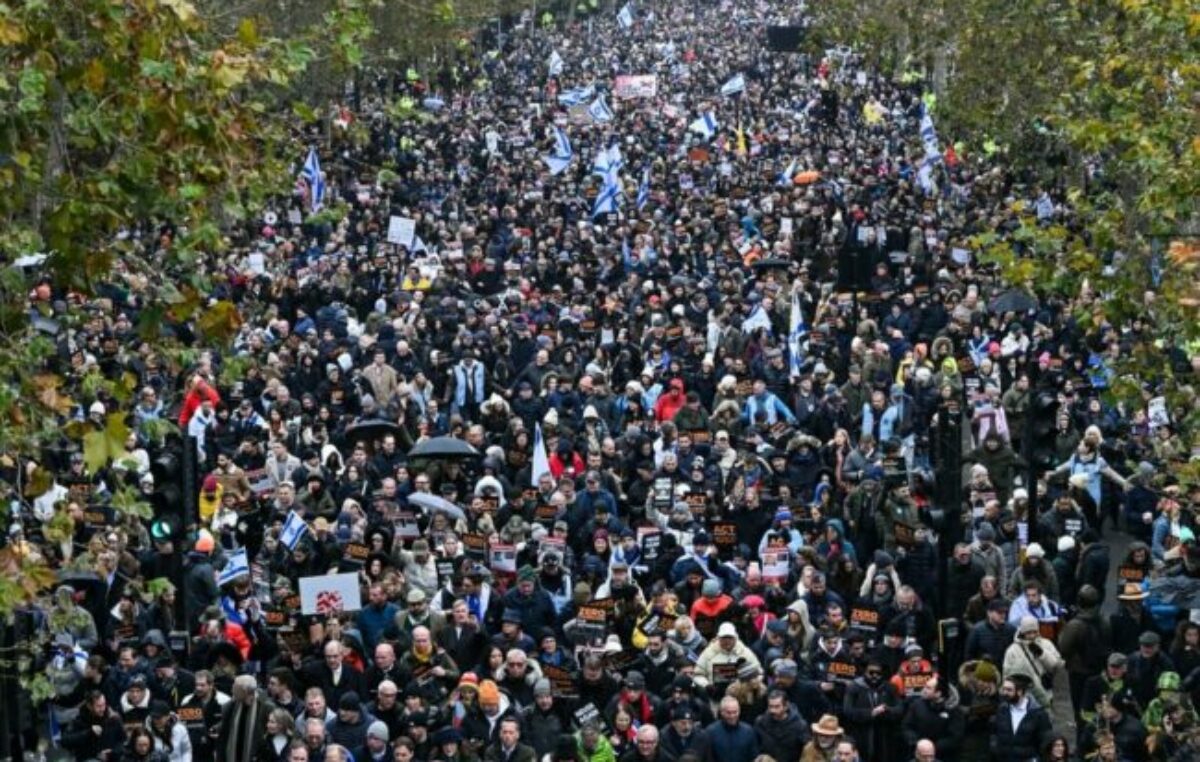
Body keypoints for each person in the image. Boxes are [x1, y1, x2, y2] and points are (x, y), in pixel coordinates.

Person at [991, 675, 1053, 762]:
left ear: (1020, 691)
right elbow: (994, 733)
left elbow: (1046, 742)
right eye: (1004, 689)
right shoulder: (1002, 711)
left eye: (1009, 690)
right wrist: (994, 748)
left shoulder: (1038, 714)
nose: (1005, 693)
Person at [217, 674, 277, 762]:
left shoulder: (266, 707)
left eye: (235, 687)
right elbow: (224, 728)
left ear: (245, 691)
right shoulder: (231, 706)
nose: (232, 690)